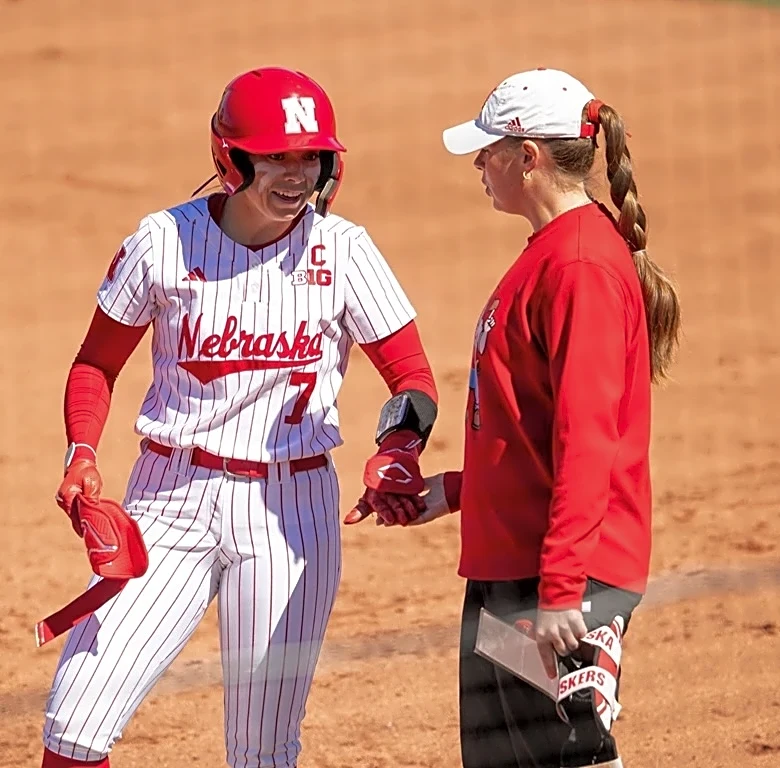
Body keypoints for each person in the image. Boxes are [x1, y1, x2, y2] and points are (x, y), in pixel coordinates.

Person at [40, 66, 438, 768]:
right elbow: (95, 364)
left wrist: (400, 446)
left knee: (260, 749)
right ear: (232, 157)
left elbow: (410, 377)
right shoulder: (163, 243)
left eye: (309, 157)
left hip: (291, 510)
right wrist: (81, 449)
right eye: (275, 157)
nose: (295, 174)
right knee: (75, 719)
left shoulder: (344, 252)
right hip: (169, 498)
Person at [355, 68, 682, 767]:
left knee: (568, 756)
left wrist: (564, 589)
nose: (479, 163)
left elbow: (589, 441)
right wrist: (448, 492)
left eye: (488, 150)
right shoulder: (551, 256)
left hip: (560, 583)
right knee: (508, 759)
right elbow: (531, 438)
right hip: (516, 569)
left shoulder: (581, 268)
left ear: (527, 157)